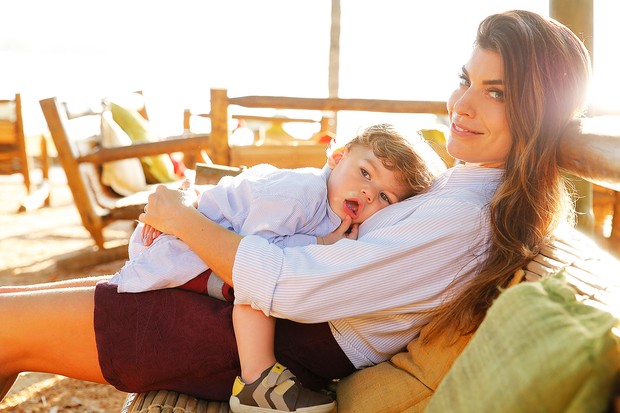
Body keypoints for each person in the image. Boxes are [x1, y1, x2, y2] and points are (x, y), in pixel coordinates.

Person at [0, 10, 591, 413]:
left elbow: (291, 286)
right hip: (247, 315)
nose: (461, 103)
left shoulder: (467, 219)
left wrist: (184, 219)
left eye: (497, 92)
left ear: (538, 111)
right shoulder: (463, 187)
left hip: (271, 342)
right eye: (467, 79)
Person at [108, 123, 442, 412]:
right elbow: (252, 255)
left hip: (200, 242)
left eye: (385, 197)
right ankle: (258, 380)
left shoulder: (334, 212)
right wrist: (321, 246)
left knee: (271, 279)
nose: (369, 192)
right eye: (365, 173)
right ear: (338, 157)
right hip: (177, 245)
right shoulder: (301, 195)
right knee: (260, 287)